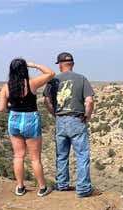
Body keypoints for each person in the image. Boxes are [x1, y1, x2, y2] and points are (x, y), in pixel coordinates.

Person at [0, 58, 55, 197]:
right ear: (25, 69)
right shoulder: (31, 83)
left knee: (19, 156)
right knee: (35, 158)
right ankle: (42, 188)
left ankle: (20, 187)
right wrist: (35, 65)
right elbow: (51, 73)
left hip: (14, 119)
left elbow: (2, 108)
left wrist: (11, 110)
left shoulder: (6, 87)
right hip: (31, 120)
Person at [43, 52, 95, 198]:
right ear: (72, 64)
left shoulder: (53, 80)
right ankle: (83, 189)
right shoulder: (82, 79)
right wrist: (87, 116)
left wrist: (55, 114)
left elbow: (46, 101)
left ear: (60, 65)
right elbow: (89, 101)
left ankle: (62, 185)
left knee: (61, 155)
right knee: (82, 155)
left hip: (61, 120)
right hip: (77, 119)